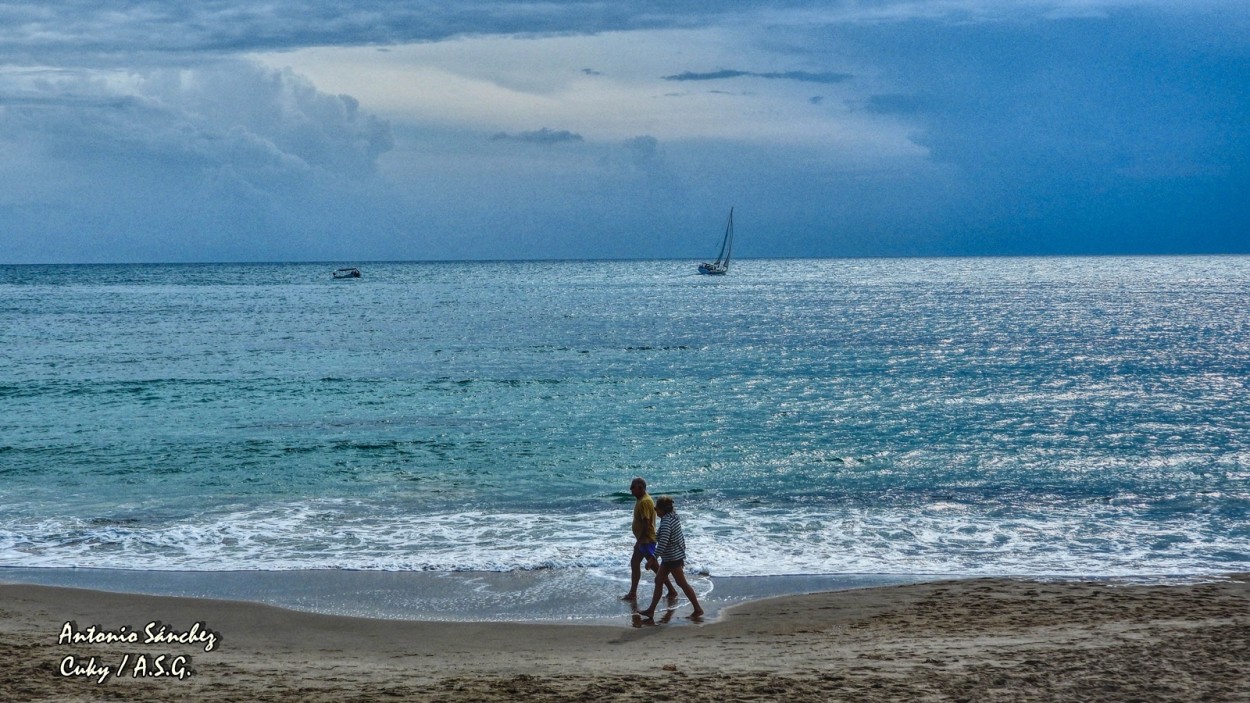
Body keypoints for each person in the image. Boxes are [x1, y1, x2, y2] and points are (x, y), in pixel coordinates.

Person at [639, 495, 704, 620]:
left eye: (656, 508)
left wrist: (652, 558)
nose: (655, 510)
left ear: (662, 509)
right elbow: (675, 537)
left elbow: (663, 543)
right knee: (659, 580)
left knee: (682, 583)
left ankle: (698, 609)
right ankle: (651, 611)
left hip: (672, 558)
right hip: (672, 557)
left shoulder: (666, 522)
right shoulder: (672, 518)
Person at [621, 477, 676, 601]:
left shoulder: (645, 501)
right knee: (635, 563)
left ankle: (672, 590)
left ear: (640, 487)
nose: (630, 489)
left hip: (646, 540)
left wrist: (639, 541)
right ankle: (633, 593)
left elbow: (646, 524)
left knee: (656, 568)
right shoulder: (641, 500)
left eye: (633, 487)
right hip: (643, 540)